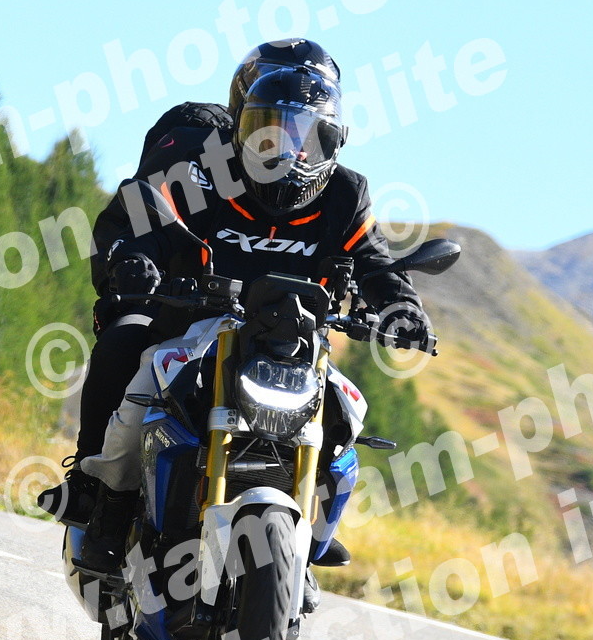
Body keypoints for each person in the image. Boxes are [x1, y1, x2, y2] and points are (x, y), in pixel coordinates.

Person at [41, 42, 432, 573]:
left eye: (307, 136)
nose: (289, 150)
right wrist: (132, 260)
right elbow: (144, 219)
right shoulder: (202, 170)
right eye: (271, 131)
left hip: (292, 342)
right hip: (191, 325)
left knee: (347, 409)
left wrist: (402, 306)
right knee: (130, 353)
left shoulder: (346, 193)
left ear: (332, 140)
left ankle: (308, 530)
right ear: (243, 124)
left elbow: (375, 262)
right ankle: (100, 497)